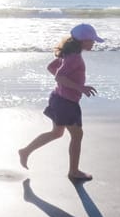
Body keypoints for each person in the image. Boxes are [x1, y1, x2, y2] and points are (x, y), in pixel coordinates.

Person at [18, 23, 104, 181]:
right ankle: (74, 171)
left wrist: (67, 81)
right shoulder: (75, 58)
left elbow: (51, 67)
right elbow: (58, 76)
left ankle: (25, 151)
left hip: (59, 98)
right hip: (66, 102)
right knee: (77, 135)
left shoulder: (69, 54)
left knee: (56, 133)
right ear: (83, 41)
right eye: (92, 40)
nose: (94, 43)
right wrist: (79, 87)